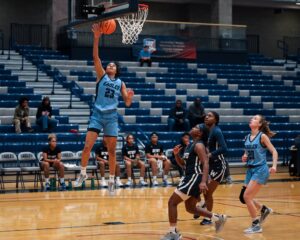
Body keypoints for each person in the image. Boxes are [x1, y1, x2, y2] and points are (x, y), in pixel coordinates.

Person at [74, 23, 134, 194]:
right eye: (109, 65)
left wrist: (129, 98)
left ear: (117, 70)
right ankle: (83, 173)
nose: (110, 66)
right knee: (87, 146)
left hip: (111, 118)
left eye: (113, 66)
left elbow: (127, 104)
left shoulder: (121, 83)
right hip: (97, 115)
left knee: (112, 151)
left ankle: (112, 181)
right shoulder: (102, 77)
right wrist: (96, 38)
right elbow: (95, 58)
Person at [161, 124, 227, 240]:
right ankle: (217, 218)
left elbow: (205, 163)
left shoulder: (199, 145)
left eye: (196, 127)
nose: (193, 127)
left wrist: (203, 181)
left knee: (172, 202)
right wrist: (176, 155)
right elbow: (183, 165)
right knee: (190, 208)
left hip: (194, 177)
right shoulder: (190, 145)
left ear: (200, 133)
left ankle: (173, 232)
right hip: (191, 176)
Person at [240, 115, 278, 234]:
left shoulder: (262, 136)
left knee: (247, 197)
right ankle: (264, 209)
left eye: (255, 119)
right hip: (250, 170)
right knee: (243, 197)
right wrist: (244, 157)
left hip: (260, 169)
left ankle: (256, 225)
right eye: (251, 118)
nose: (252, 119)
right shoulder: (246, 137)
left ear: (260, 124)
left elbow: (274, 151)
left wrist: (274, 166)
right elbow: (247, 153)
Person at [196, 111, 229, 225]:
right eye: (206, 115)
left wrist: (210, 155)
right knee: (203, 190)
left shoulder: (217, 131)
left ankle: (209, 217)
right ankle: (203, 207)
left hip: (219, 165)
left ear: (215, 120)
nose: (206, 117)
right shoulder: (207, 132)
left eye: (210, 116)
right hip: (210, 165)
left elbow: (224, 148)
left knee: (207, 193)